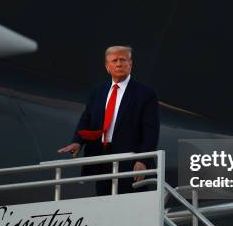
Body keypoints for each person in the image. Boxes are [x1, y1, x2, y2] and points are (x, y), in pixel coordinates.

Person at [58, 45, 160, 195]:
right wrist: (77, 141)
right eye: (114, 60)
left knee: (131, 208)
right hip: (102, 159)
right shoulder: (98, 91)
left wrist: (143, 160)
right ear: (107, 66)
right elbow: (87, 119)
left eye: (123, 60)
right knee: (104, 203)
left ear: (130, 64)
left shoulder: (145, 94)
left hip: (131, 162)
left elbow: (151, 131)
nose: (119, 64)